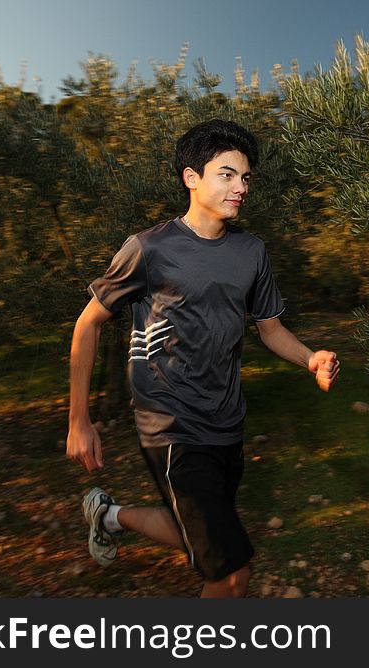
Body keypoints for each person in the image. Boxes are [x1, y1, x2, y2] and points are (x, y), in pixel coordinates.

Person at [66, 119, 340, 598]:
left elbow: (270, 329)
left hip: (227, 422)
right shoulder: (149, 249)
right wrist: (78, 420)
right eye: (227, 174)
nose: (241, 187)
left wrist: (310, 358)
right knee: (231, 573)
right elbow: (87, 323)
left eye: (246, 178)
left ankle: (108, 516)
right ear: (191, 177)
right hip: (170, 424)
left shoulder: (251, 252)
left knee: (199, 532)